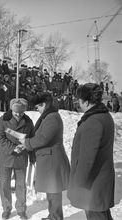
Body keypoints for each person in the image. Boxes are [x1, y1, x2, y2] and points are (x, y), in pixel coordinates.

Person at [19, 92, 70, 220]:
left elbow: (44, 138)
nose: (38, 110)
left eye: (38, 107)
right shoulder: (49, 116)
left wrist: (28, 143)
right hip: (49, 160)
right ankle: (53, 216)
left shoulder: (52, 117)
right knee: (51, 192)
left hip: (52, 161)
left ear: (44, 105)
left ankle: (56, 217)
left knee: (54, 192)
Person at [67, 83, 115, 220]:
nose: (79, 104)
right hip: (98, 180)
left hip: (92, 182)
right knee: (101, 214)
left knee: (96, 215)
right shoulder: (103, 116)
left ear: (87, 102)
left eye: (80, 101)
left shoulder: (93, 121)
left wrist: (79, 184)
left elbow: (87, 158)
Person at [0, 98, 35, 220]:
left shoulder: (28, 122)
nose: (18, 114)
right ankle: (6, 209)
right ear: (11, 109)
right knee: (4, 185)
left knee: (21, 186)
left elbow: (32, 139)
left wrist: (32, 157)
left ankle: (21, 210)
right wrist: (13, 148)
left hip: (21, 158)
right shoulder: (2, 120)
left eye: (21, 113)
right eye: (16, 112)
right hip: (6, 157)